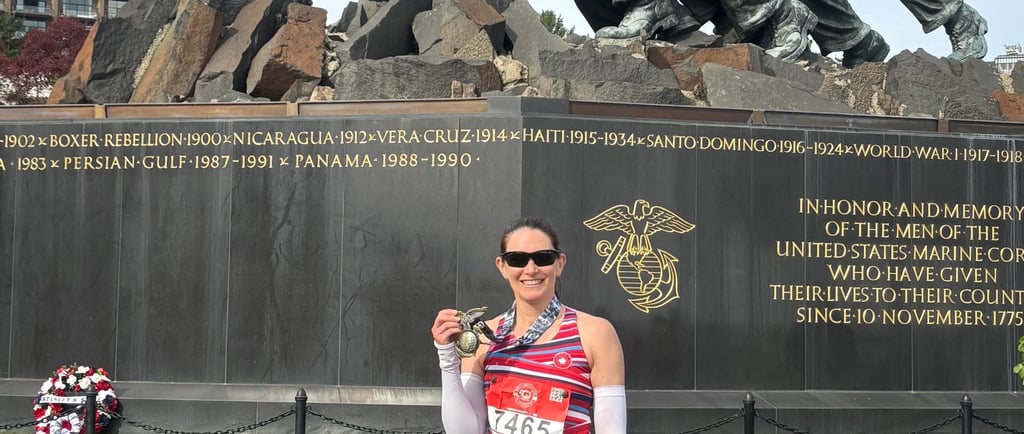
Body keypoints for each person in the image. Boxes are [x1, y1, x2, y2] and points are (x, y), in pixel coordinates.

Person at [431, 217, 627, 433]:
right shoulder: (484, 337)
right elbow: (465, 431)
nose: (531, 269)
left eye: (543, 258)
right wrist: (447, 357)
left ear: (559, 264)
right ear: (502, 267)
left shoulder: (595, 334)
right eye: (517, 259)